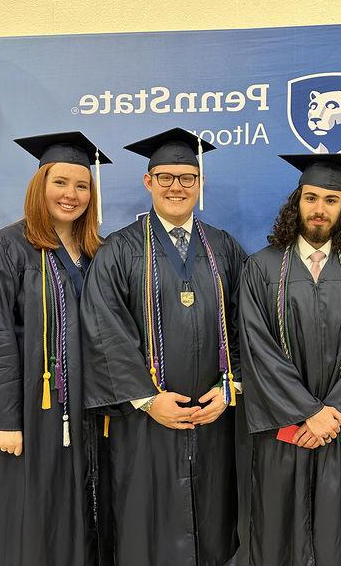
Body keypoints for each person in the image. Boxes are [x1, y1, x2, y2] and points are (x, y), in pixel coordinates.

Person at [0, 131, 109, 566]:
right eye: (60, 183)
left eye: (81, 185)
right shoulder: (9, 248)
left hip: (77, 411)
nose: (71, 195)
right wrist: (3, 419)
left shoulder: (95, 253)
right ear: (39, 186)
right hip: (25, 414)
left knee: (70, 509)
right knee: (20, 514)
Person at [81, 127, 246, 566]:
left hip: (212, 416)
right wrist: (147, 399)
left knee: (210, 523)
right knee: (145, 529)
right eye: (166, 177)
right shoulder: (119, 250)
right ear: (148, 182)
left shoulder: (224, 248)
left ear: (201, 184)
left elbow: (249, 324)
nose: (177, 186)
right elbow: (103, 328)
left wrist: (232, 388)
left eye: (187, 177)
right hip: (144, 423)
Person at [238, 153, 341, 566]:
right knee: (275, 529)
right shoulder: (261, 266)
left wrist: (334, 413)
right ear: (297, 203)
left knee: (338, 532)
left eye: (331, 200)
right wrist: (307, 413)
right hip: (284, 428)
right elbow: (257, 348)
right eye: (311, 198)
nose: (319, 209)